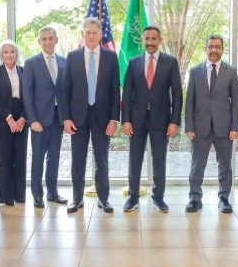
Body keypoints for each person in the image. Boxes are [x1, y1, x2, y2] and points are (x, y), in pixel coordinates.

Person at [60, 17, 120, 214]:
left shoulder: (111, 57)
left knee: (102, 161)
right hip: (77, 118)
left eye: (95, 32)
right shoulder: (72, 57)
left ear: (100, 34)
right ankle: (77, 199)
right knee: (78, 160)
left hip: (103, 118)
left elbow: (115, 90)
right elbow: (65, 90)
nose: (91, 36)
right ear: (82, 34)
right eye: (88, 33)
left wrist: (114, 119)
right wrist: (66, 118)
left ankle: (104, 199)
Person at [121, 25, 182, 213]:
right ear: (143, 40)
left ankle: (158, 198)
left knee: (159, 161)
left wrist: (174, 121)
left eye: (153, 38)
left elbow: (177, 94)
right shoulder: (133, 63)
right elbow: (127, 93)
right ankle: (132, 198)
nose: (150, 42)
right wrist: (126, 120)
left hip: (161, 120)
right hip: (136, 120)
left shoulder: (170, 62)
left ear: (160, 40)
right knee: (134, 160)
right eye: (147, 38)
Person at [185, 35, 238, 213]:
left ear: (222, 49)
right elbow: (190, 101)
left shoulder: (231, 72)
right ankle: (195, 198)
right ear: (206, 49)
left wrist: (235, 127)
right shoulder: (195, 71)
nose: (214, 50)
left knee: (225, 166)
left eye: (217, 47)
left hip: (224, 128)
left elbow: (236, 102)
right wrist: (189, 126)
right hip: (199, 127)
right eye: (211, 47)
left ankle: (224, 199)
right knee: (197, 165)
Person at [23, 27, 67, 208]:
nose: (47, 41)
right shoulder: (31, 63)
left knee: (54, 157)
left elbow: (66, 91)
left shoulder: (64, 62)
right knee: (38, 157)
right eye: (44, 39)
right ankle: (37, 194)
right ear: (39, 41)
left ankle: (52, 192)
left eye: (50, 38)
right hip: (39, 119)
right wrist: (32, 119)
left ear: (56, 40)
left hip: (58, 117)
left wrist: (67, 117)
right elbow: (27, 93)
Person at [0, 41, 28, 206]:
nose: (9, 54)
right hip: (3, 117)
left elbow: (29, 96)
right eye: (5, 52)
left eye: (12, 51)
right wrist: (10, 120)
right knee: (5, 158)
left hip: (21, 116)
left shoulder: (23, 71)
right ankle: (6, 197)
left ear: (16, 54)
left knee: (20, 157)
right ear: (1, 55)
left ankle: (19, 195)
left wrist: (23, 118)